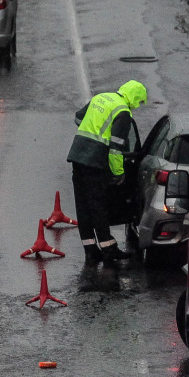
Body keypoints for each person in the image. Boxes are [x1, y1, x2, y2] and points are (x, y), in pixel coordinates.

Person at [66, 80, 147, 263]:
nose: (138, 106)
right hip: (94, 162)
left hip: (77, 156)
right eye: (140, 101)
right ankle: (109, 249)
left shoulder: (101, 97)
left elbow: (79, 118)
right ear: (134, 97)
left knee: (83, 205)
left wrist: (93, 130)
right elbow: (116, 149)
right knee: (98, 205)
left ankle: (90, 249)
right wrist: (118, 173)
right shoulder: (123, 112)